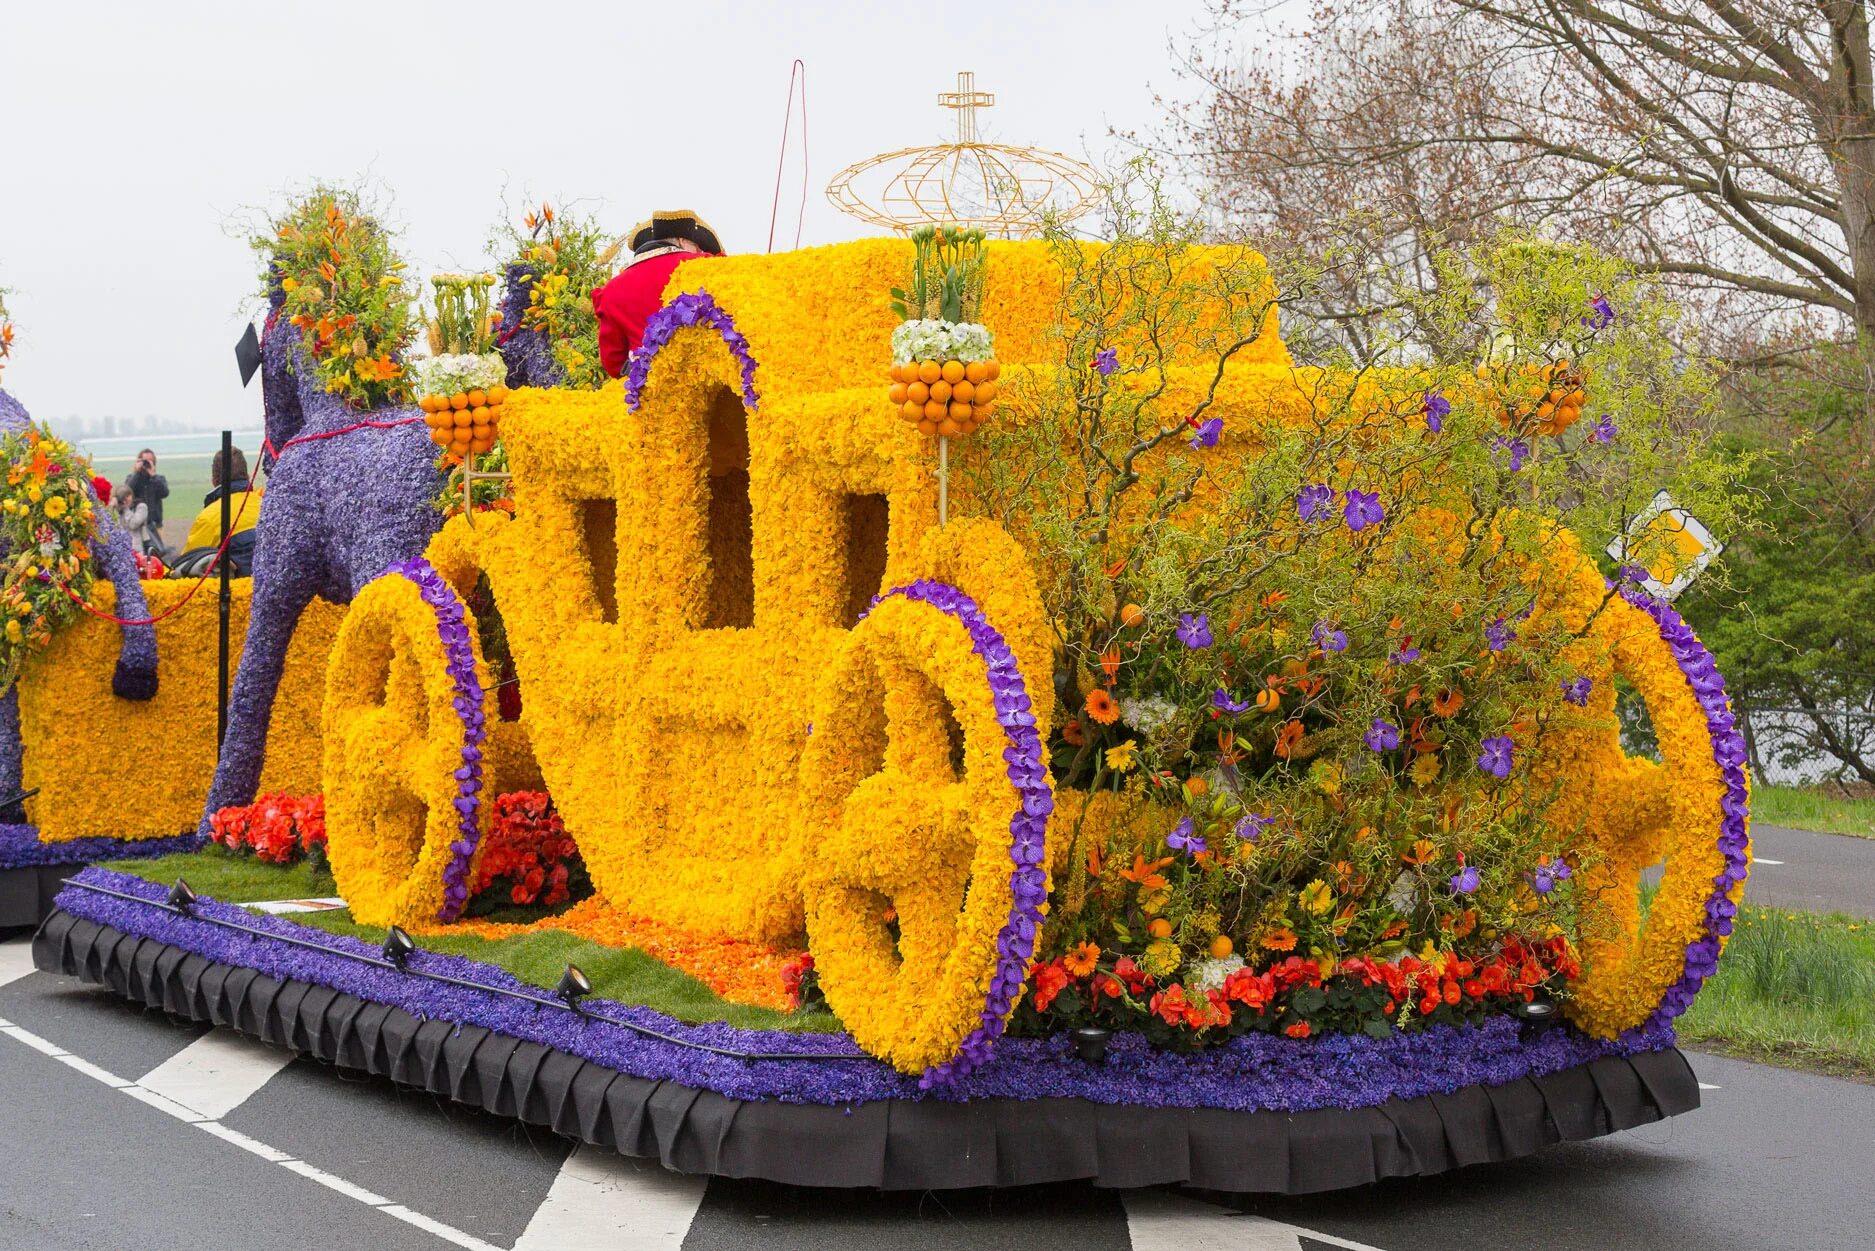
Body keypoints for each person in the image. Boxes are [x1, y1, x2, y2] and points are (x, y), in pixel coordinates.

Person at [591, 210, 724, 378]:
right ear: (682, 241)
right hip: (706, 382)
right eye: (697, 247)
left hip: (646, 395)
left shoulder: (610, 291)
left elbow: (613, 363)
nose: (700, 251)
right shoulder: (701, 266)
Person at [170, 446, 264, 578]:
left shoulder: (209, 518)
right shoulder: (268, 505)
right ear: (248, 477)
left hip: (238, 594)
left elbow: (187, 566)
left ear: (214, 481)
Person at [123, 448, 170, 556]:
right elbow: (126, 491)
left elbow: (164, 493)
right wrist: (136, 473)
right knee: (139, 554)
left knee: (158, 553)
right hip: (137, 525)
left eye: (150, 461)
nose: (147, 464)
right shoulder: (132, 478)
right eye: (144, 461)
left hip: (155, 524)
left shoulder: (159, 479)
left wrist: (153, 475)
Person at [110, 484, 152, 556]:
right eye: (124, 498)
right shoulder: (118, 509)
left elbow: (133, 524)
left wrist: (126, 508)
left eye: (128, 496)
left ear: (131, 495)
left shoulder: (141, 507)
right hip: (120, 549)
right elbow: (110, 524)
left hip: (137, 549)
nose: (126, 499)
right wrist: (112, 507)